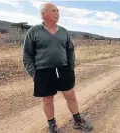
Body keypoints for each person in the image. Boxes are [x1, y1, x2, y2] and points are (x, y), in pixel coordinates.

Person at [22, 2, 93, 133]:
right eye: (53, 11)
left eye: (57, 11)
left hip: (63, 69)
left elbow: (70, 50)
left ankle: (77, 121)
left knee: (71, 96)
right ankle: (52, 127)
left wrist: (70, 67)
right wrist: (33, 73)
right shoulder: (34, 31)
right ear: (43, 14)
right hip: (43, 71)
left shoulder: (64, 32)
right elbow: (27, 54)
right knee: (48, 100)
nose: (57, 13)